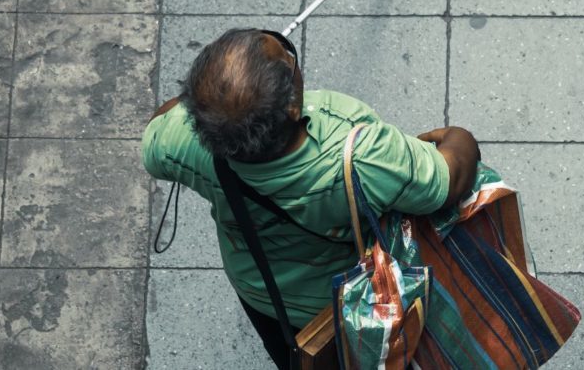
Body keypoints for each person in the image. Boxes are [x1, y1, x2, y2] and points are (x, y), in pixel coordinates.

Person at [140, 28, 480, 368]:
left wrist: (214, 100)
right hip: (351, 296)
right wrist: (458, 137)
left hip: (262, 293)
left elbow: (158, 127)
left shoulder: (183, 143)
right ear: (291, 106)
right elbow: (449, 183)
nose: (291, 55)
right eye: (288, 59)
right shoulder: (360, 155)